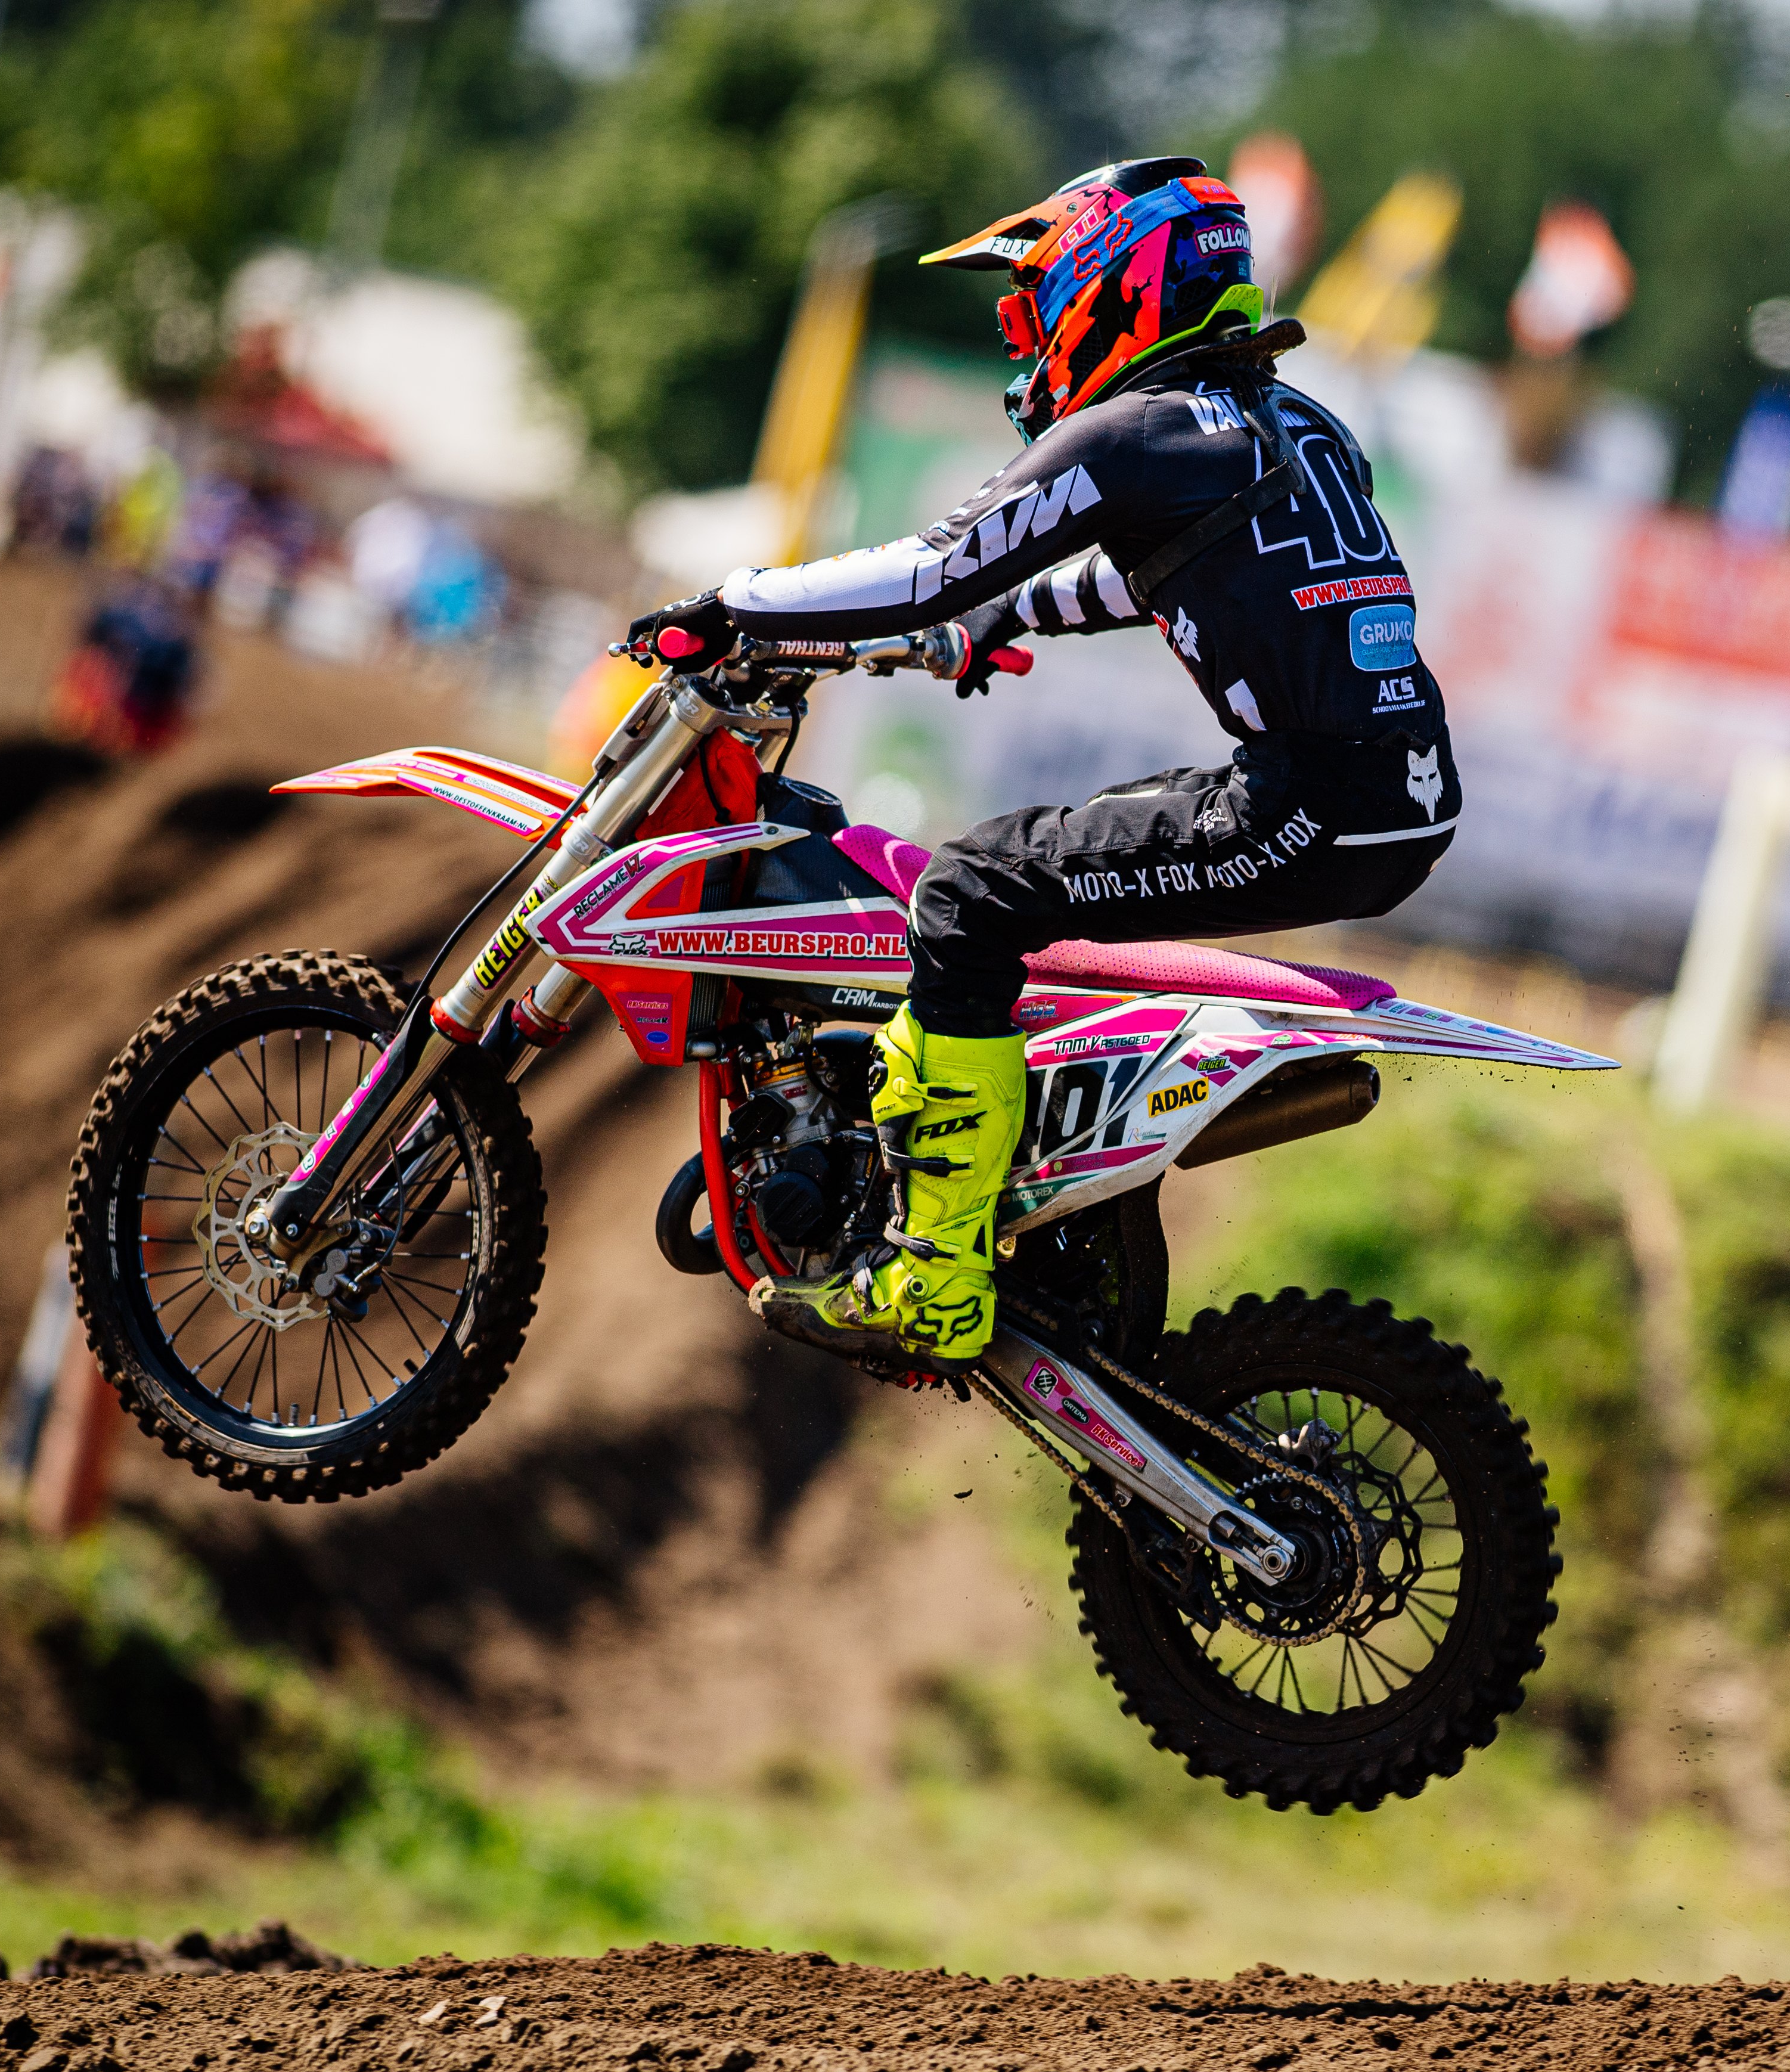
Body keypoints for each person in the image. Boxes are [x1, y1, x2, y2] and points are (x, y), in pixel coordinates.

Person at [624, 155, 1460, 1375]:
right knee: (1050, 862)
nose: (1027, 346)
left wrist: (733, 604)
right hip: (1401, 798)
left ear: (1117, 289)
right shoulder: (1289, 423)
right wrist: (1006, 616)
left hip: (1308, 807)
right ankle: (1040, 1201)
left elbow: (932, 569)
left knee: (971, 891)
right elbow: (1164, 572)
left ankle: (933, 1272)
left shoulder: (1141, 433)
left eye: (1034, 311)